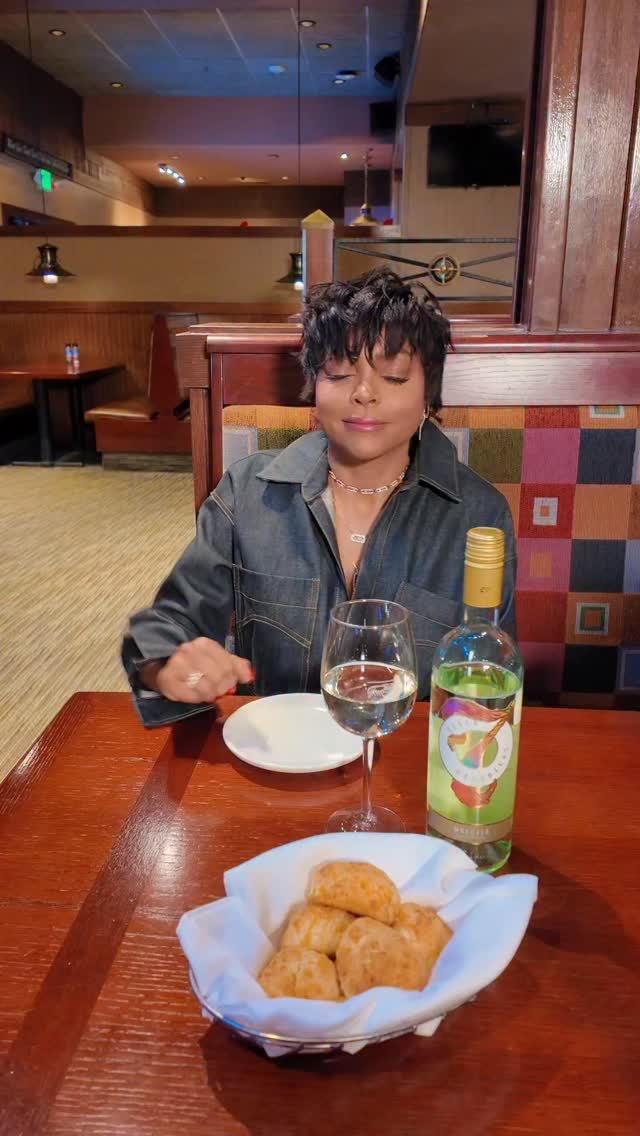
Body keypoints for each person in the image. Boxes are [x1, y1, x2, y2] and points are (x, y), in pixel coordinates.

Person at [122, 267, 516, 727]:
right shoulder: (248, 492)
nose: (364, 393)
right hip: (274, 752)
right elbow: (165, 626)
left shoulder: (479, 514)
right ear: (315, 385)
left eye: (393, 376)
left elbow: (491, 676)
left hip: (409, 758)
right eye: (340, 372)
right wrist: (170, 665)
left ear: (429, 392)